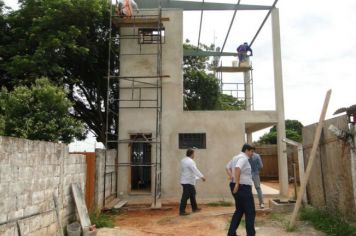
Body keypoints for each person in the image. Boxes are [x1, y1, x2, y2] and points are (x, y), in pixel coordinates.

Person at [228, 144, 256, 236]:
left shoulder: (235, 157)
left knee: (239, 210)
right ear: (246, 150)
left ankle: (231, 233)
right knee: (250, 212)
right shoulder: (243, 158)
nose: (252, 153)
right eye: (251, 151)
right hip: (242, 188)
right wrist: (237, 183)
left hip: (237, 186)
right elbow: (237, 168)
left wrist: (231, 177)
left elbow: (227, 167)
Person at [179, 148, 206, 216]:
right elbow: (195, 170)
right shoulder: (190, 161)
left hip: (186, 180)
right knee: (185, 196)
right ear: (191, 154)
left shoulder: (183, 160)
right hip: (188, 181)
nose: (194, 155)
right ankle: (182, 211)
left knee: (192, 194)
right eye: (194, 154)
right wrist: (202, 176)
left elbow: (189, 171)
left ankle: (195, 208)